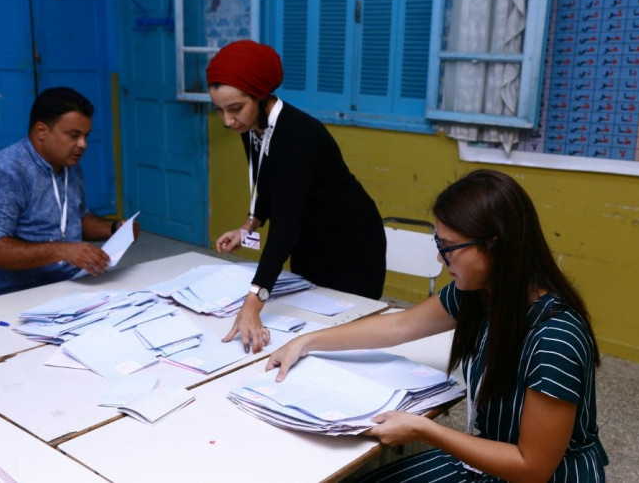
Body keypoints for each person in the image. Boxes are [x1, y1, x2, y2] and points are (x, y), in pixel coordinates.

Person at [266, 169, 608, 481]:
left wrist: (424, 431)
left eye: (448, 249)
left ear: (496, 245)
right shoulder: (483, 293)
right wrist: (305, 341)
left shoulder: (555, 337)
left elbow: (531, 467)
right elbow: (398, 326)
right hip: (491, 460)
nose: (439, 260)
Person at [206, 40, 386, 353]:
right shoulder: (253, 127)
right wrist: (249, 224)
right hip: (309, 239)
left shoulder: (298, 136)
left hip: (351, 245)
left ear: (261, 96)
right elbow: (267, 182)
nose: (227, 121)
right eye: (219, 110)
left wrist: (253, 304)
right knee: (306, 333)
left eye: (235, 109)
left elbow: (284, 229)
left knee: (346, 339)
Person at [0, 86, 139, 297]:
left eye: (86, 136)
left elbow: (77, 219)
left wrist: (114, 229)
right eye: (74, 135)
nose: (83, 144)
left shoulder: (70, 166)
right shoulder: (4, 173)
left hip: (74, 283)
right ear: (42, 131)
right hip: (19, 294)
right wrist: (63, 250)